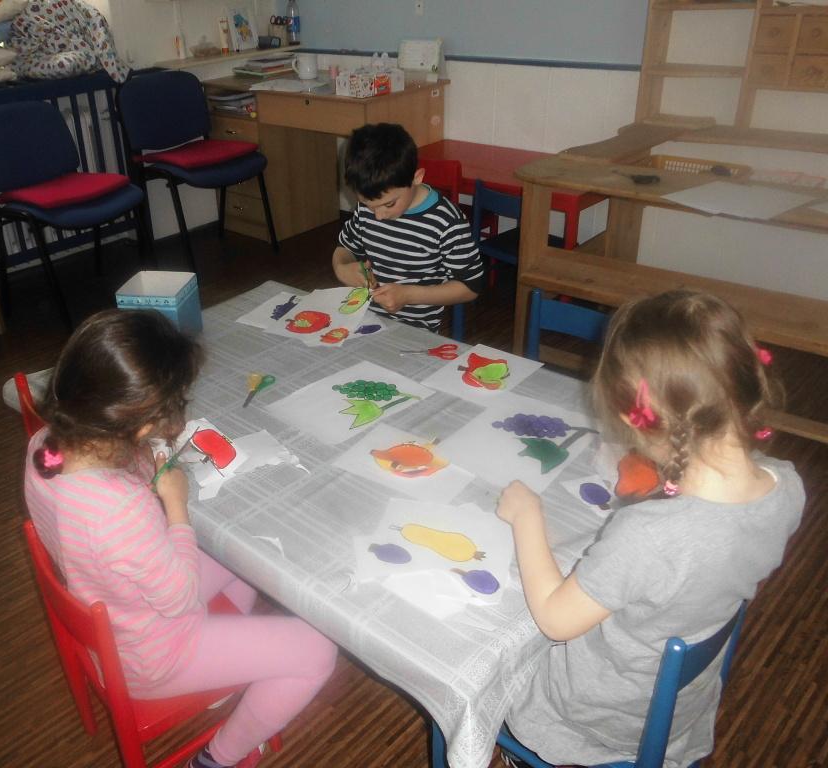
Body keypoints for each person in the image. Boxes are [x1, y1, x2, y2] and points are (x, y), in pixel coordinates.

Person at [495, 291, 805, 768]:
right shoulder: (787, 484)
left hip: (603, 712)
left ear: (636, 419)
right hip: (680, 697)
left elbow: (556, 620)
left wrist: (527, 516)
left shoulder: (649, 535)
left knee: (490, 659)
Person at [24, 309, 337, 768]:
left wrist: (146, 460)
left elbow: (107, 499)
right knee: (318, 651)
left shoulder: (45, 447)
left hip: (115, 617)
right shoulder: (120, 510)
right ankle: (215, 759)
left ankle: (224, 671)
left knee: (246, 551)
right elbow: (181, 599)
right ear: (140, 427)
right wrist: (176, 506)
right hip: (152, 655)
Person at [332, 122, 485, 331]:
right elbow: (345, 248)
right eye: (368, 205)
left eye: (389, 204)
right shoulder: (369, 207)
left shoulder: (446, 222)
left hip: (415, 331)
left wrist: (409, 295)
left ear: (416, 178)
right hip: (364, 321)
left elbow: (471, 286)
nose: (378, 216)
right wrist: (341, 268)